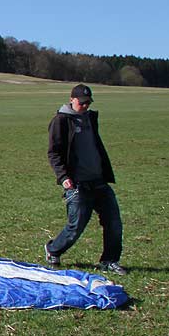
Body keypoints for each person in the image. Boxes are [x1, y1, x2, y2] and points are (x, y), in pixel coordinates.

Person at [44, 84, 125, 275]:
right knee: (76, 226)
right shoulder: (61, 121)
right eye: (82, 102)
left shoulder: (90, 118)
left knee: (113, 222)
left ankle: (109, 260)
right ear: (72, 100)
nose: (86, 106)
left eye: (88, 102)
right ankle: (53, 250)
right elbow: (54, 153)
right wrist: (63, 177)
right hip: (77, 184)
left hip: (99, 181)